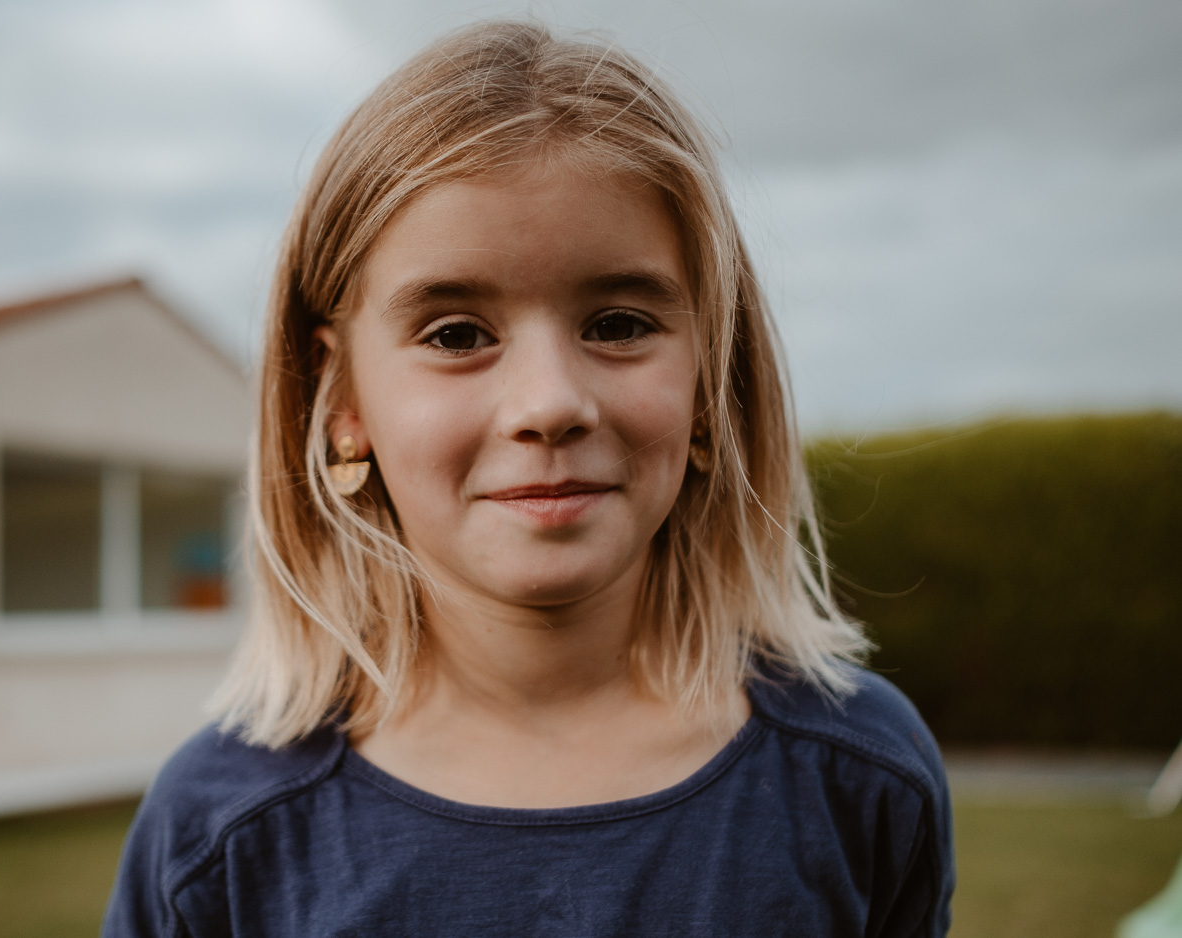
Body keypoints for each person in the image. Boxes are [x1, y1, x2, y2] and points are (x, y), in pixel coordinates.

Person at [104, 20, 953, 937]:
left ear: (710, 381)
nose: (550, 403)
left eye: (621, 323)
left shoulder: (860, 775)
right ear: (340, 398)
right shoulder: (221, 833)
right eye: (458, 335)